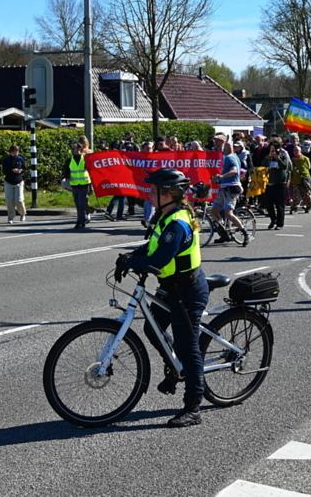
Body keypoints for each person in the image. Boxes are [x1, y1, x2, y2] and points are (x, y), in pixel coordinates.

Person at [115, 168, 209, 428]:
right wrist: (130, 255)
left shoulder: (177, 223)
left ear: (168, 194)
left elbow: (159, 259)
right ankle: (174, 368)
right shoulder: (165, 217)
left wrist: (135, 261)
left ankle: (193, 408)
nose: (149, 194)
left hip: (187, 291)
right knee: (151, 328)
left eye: (153, 191)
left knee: (187, 347)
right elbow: (152, 246)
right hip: (171, 287)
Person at [210, 142, 249, 245]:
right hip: (224, 187)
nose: (222, 150)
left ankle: (245, 233)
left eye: (224, 148)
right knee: (214, 211)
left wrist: (222, 177)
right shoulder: (234, 157)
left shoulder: (230, 158)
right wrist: (218, 180)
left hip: (231, 188)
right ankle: (224, 232)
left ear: (229, 149)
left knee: (228, 213)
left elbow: (235, 171)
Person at [63, 141, 91, 230]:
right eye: (72, 148)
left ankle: (80, 221)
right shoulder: (69, 159)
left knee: (81, 203)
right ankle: (83, 218)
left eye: (74, 148)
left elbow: (91, 168)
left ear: (79, 149)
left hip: (84, 184)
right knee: (77, 204)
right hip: (74, 184)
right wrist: (67, 177)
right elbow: (66, 170)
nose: (72, 150)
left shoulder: (85, 158)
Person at [264, 139, 291, 230]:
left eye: (274, 149)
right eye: (271, 149)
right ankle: (273, 219)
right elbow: (263, 164)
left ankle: (280, 223)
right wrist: (269, 157)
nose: (272, 151)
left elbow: (285, 167)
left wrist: (277, 158)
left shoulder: (283, 156)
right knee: (268, 203)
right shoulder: (268, 157)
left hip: (280, 183)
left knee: (279, 204)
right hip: (270, 183)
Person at [2, 145, 27, 224]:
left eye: (17, 151)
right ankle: (10, 217)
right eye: (14, 151)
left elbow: (25, 168)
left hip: (18, 182)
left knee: (19, 200)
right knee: (9, 201)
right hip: (9, 182)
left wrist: (20, 171)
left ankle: (22, 213)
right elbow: (4, 171)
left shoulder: (20, 159)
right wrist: (12, 170)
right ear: (11, 152)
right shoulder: (7, 160)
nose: (15, 153)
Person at [289, 147, 311, 214]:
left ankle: (309, 206)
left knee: (307, 194)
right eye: (294, 150)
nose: (296, 152)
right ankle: (295, 208)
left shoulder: (305, 159)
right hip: (295, 179)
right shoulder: (292, 160)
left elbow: (309, 167)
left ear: (300, 151)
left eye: (297, 150)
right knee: (296, 195)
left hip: (305, 179)